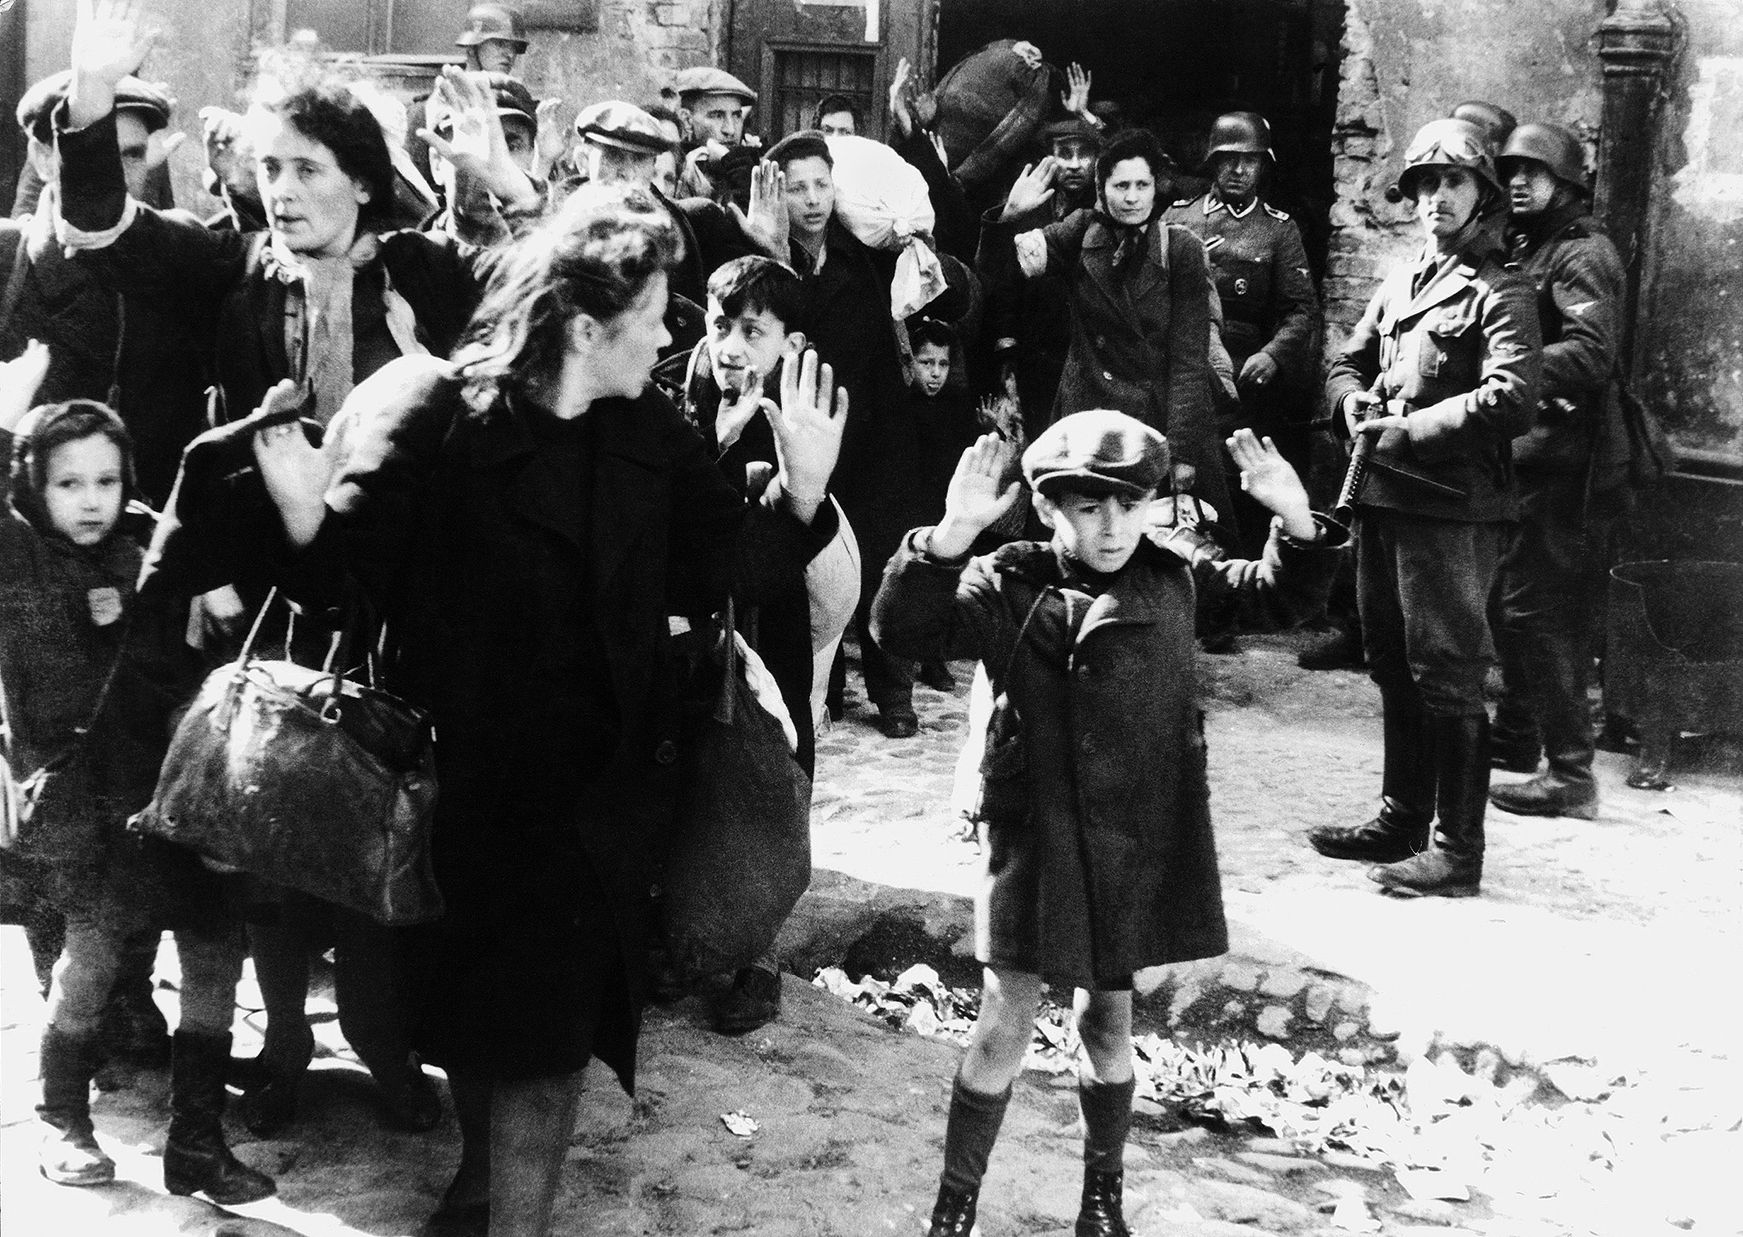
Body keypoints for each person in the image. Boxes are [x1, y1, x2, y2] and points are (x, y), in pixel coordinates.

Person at [247, 182, 846, 1237]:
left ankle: (508, 1217)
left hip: (598, 798)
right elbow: (348, 585)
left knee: (550, 1038)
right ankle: (480, 1186)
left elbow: (719, 570)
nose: (670, 333)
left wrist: (799, 495)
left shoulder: (651, 431)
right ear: (584, 323)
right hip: (459, 787)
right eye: (656, 310)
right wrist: (303, 519)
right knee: (482, 1024)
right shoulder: (445, 418)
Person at [56, 0, 538, 1135]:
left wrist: (501, 180)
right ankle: (277, 1040)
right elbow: (99, 241)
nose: (281, 187)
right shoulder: (234, 280)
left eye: (307, 167)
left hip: (398, 599)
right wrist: (86, 103)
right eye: (268, 166)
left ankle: (380, 1043)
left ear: (363, 180)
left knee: (384, 823)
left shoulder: (424, 269)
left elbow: (543, 311)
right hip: (267, 605)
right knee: (265, 827)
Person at [870, 412, 1343, 1237]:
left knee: (1107, 1019)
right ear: (1051, 509)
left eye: (1130, 504)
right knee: (1002, 1020)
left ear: (1154, 505)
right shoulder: (1002, 582)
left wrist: (1294, 521)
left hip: (1133, 835)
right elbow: (902, 630)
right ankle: (953, 1209)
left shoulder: (1177, 577)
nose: (1113, 525)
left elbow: (1281, 598)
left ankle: (1102, 1202)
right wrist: (945, 540)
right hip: (1033, 834)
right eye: (1088, 507)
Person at [0, 345, 274, 1205]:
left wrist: (204, 584)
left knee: (214, 959)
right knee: (90, 959)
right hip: (92, 797)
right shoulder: (21, 562)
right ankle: (62, 1119)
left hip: (178, 791)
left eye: (106, 481)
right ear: (34, 490)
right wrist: (7, 415)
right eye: (67, 483)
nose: (91, 500)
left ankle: (196, 1139)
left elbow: (204, 596)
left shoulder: (150, 548)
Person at [1306, 118, 1542, 898]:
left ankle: (1455, 850)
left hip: (1451, 507)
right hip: (1381, 499)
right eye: (1423, 186)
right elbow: (1344, 359)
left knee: (1446, 671)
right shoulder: (1403, 279)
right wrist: (1350, 407)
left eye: (1453, 184)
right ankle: (1399, 816)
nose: (1435, 199)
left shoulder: (1500, 289)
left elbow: (1511, 399)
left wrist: (1411, 428)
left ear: (1480, 197)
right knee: (1388, 659)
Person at [678, 253, 859, 1032]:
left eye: (753, 330)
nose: (731, 345)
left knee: (771, 782)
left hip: (771, 632)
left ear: (788, 342)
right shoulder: (678, 405)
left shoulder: (792, 420)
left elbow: (813, 559)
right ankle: (682, 938)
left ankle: (760, 957)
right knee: (691, 780)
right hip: (692, 634)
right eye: (722, 325)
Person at [980, 128, 1231, 522]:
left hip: (1155, 420)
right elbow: (1001, 275)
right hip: (1086, 417)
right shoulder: (1080, 231)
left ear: (1155, 188)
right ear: (1102, 187)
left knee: (1160, 538)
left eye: (1141, 185)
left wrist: (1181, 453)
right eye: (1121, 185)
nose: (1132, 197)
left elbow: (1188, 360)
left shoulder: (1180, 249)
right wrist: (1009, 219)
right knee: (1081, 534)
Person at [1486, 122, 1625, 820]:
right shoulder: (1529, 243)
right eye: (1509, 170)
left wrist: (1511, 370)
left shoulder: (1581, 254)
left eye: (1533, 173)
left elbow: (1591, 353)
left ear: (1565, 184)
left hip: (1568, 462)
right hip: (1532, 454)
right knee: (1512, 601)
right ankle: (1514, 738)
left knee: (1537, 611)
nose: (1516, 182)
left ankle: (1570, 773)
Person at [761, 129, 920, 737]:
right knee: (810, 563)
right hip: (802, 435)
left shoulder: (865, 256)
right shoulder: (769, 262)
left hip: (872, 430)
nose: (811, 200)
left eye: (821, 185)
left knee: (883, 557)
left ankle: (893, 691)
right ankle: (817, 690)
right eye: (797, 187)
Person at [1162, 111, 1320, 557]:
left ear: (1263, 166)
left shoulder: (1279, 229)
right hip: (1185, 367)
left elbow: (1301, 309)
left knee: (1239, 480)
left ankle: (1240, 575)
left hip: (1246, 379)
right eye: (1228, 159)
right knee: (1179, 472)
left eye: (1249, 160)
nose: (1238, 170)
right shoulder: (1180, 217)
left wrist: (1273, 355)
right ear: (1212, 162)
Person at [985, 114, 1103, 442]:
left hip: (1086, 355)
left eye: (1085, 154)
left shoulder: (1104, 211)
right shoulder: (1030, 207)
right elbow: (1003, 281)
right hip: (1035, 355)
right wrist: (1006, 344)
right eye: (1065, 153)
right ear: (1048, 158)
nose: (1076, 164)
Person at [405, 2, 531, 188]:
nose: (509, 54)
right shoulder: (425, 110)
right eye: (500, 44)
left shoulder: (519, 104)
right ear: (472, 47)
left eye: (514, 47)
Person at [674, 66, 760, 204]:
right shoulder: (673, 171)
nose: (730, 130)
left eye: (737, 116)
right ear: (687, 120)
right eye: (717, 116)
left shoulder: (753, 166)